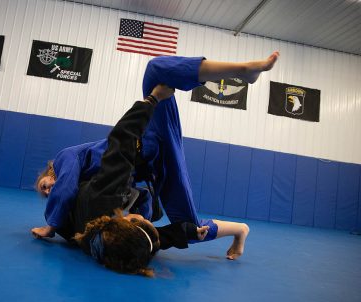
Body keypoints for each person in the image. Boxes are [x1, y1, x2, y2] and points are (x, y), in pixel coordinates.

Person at [32, 52, 279, 274]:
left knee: (156, 70)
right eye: (46, 194)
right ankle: (240, 229)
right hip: (155, 172)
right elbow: (154, 236)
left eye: (44, 186)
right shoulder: (105, 238)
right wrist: (180, 231)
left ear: (49, 171)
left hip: (147, 144)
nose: (48, 190)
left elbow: (117, 146)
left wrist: (51, 225)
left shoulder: (69, 164)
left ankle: (242, 70)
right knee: (191, 228)